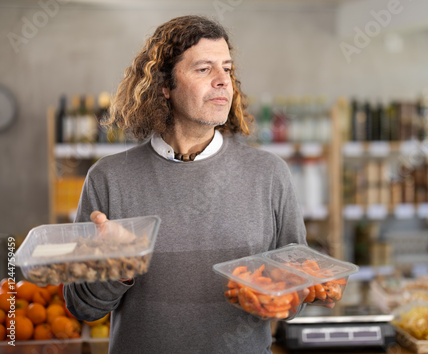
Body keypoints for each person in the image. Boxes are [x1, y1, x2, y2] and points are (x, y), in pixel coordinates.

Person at [63, 15, 307, 353]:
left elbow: (298, 297)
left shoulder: (269, 174)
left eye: (228, 69)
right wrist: (120, 264)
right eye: (204, 69)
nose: (223, 81)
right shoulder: (109, 178)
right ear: (164, 85)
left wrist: (287, 293)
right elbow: (82, 307)